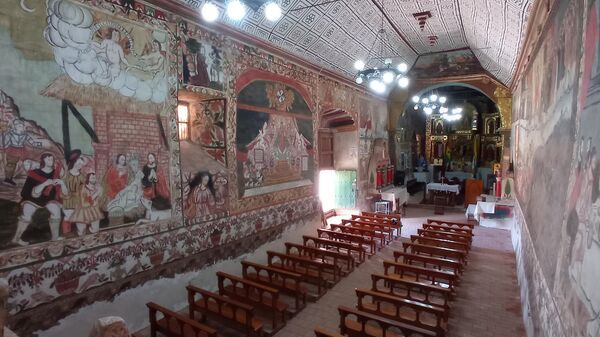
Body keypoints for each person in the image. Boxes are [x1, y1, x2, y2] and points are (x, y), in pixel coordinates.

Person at [12, 153, 67, 245]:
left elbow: (65, 193)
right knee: (27, 211)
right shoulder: (34, 173)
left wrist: (62, 183)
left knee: (56, 210)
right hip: (32, 199)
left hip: (48, 199)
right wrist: (44, 184)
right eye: (47, 157)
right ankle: (16, 238)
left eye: (52, 158)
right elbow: (26, 192)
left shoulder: (56, 174)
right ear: (43, 160)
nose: (50, 159)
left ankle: (55, 237)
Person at [2, 119, 43, 186]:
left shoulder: (25, 135)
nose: (22, 127)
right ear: (15, 127)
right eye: (20, 126)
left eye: (22, 126)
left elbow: (31, 141)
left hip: (21, 150)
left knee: (18, 163)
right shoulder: (10, 134)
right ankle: (8, 178)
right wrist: (4, 135)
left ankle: (35, 177)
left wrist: (38, 144)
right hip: (12, 149)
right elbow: (5, 141)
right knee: (11, 164)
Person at [62, 150, 86, 236]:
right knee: (68, 216)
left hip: (79, 201)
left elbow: (84, 189)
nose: (81, 163)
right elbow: (64, 190)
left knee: (80, 218)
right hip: (69, 201)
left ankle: (80, 233)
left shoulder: (81, 176)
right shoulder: (67, 175)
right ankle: (67, 233)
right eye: (78, 160)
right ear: (74, 161)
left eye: (81, 160)